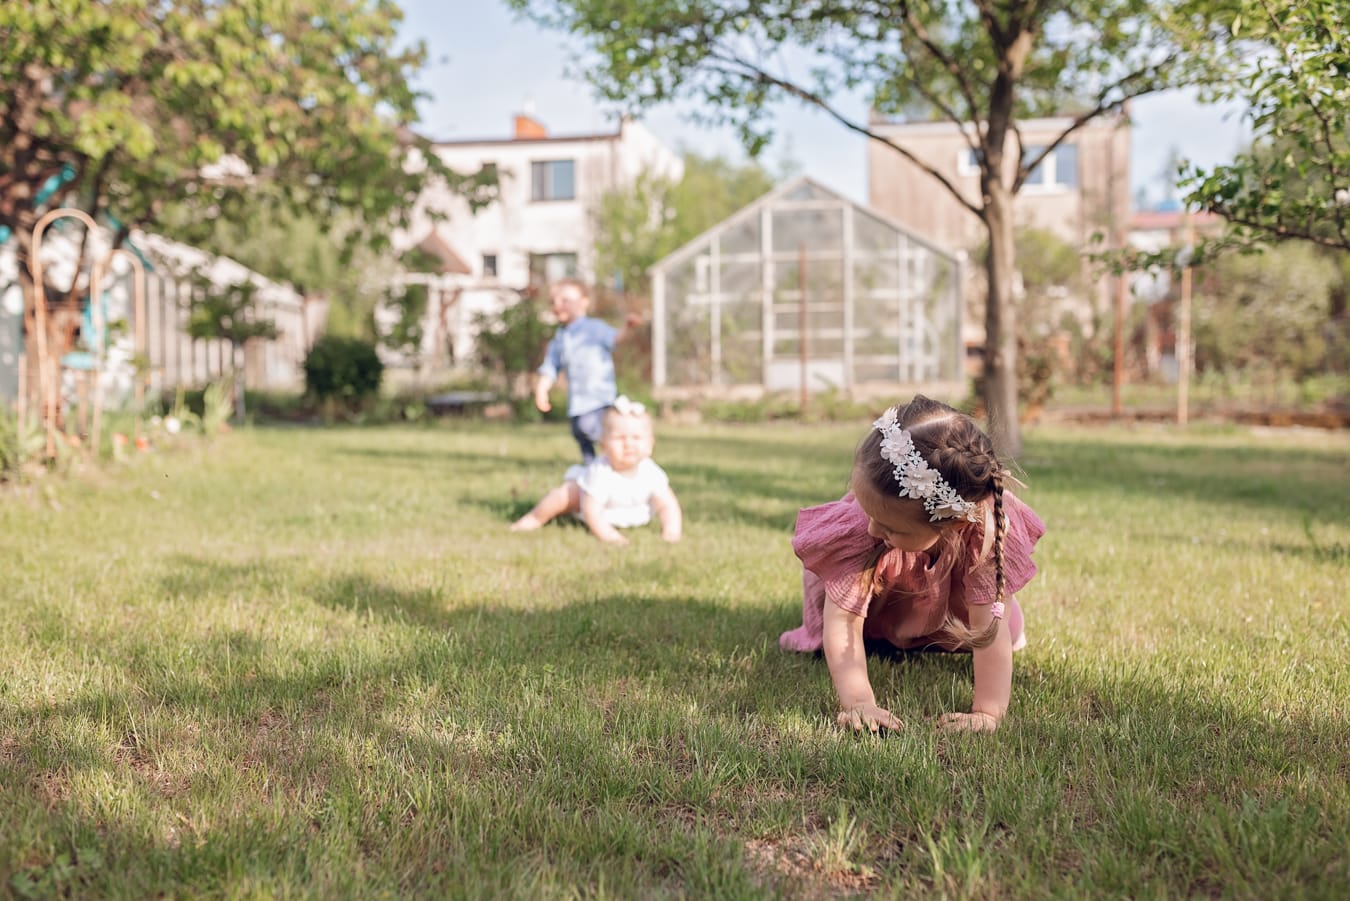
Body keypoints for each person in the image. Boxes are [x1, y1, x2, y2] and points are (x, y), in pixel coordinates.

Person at [780, 395, 1045, 734]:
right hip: (881, 602)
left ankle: (951, 623)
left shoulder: (984, 534)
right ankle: (888, 630)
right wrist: (860, 702)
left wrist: (988, 714)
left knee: (1002, 625)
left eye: (892, 529)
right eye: (869, 513)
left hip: (948, 601)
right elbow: (843, 622)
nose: (874, 528)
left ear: (954, 525)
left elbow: (986, 633)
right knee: (852, 633)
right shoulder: (869, 523)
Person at [510, 397, 682, 545]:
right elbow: (592, 510)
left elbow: (668, 505)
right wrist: (609, 536)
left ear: (651, 444)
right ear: (603, 445)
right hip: (586, 504)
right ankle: (535, 518)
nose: (628, 444)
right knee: (564, 495)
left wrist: (671, 531)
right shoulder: (601, 473)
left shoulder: (651, 473)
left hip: (628, 510)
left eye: (636, 438)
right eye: (620, 438)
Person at [534, 278, 641, 463]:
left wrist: (628, 327)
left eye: (565, 300)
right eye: (553, 302)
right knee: (581, 436)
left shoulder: (594, 328)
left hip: (599, 399)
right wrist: (541, 390)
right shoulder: (559, 339)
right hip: (577, 403)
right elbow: (550, 367)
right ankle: (593, 475)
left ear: (584, 302)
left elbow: (616, 338)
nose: (557, 305)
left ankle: (619, 465)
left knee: (596, 432)